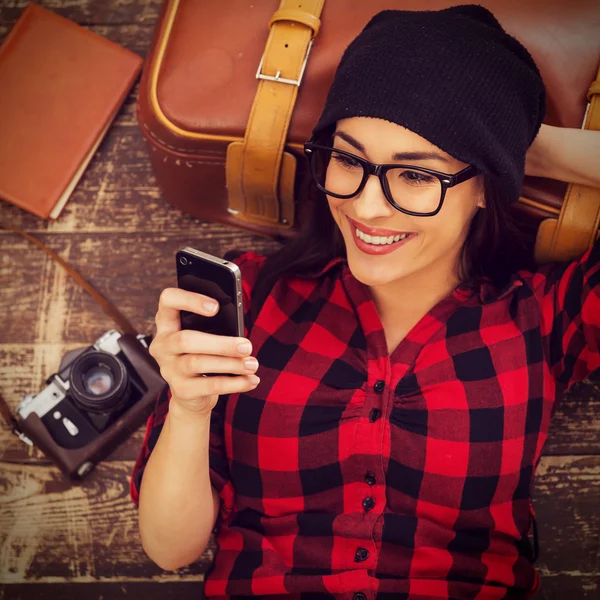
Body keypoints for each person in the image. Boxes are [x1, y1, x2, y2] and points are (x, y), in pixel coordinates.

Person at [130, 5, 600, 600]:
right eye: (349, 160)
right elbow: (170, 550)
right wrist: (190, 408)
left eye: (416, 176)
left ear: (485, 186)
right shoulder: (255, 301)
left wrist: (527, 147)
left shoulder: (545, 321)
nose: (368, 207)